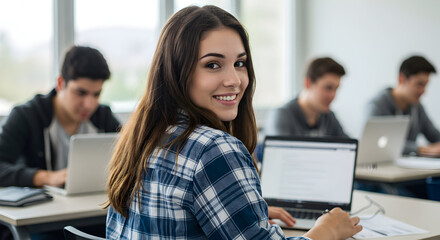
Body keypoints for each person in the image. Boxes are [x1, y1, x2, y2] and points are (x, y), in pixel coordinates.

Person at [106, 5, 361, 240]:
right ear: (176, 73)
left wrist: (247, 212)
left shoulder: (144, 138)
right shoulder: (213, 148)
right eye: (213, 65)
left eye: (240, 63)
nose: (235, 80)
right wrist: (324, 231)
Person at [0, 45, 120, 188]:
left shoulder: (103, 116)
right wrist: (45, 177)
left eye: (96, 94)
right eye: (81, 93)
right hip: (42, 208)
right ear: (60, 83)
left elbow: (132, 157)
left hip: (92, 206)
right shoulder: (26, 116)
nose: (89, 104)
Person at [367, 55, 440, 156]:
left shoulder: (417, 107)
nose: (423, 91)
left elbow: (435, 135)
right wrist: (422, 149)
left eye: (425, 85)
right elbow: (379, 143)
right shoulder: (377, 106)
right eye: (419, 84)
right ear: (401, 79)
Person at [265, 57, 348, 138]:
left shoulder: (328, 117)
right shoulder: (282, 116)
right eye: (328, 88)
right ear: (308, 83)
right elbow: (280, 151)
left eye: (336, 89)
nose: (333, 96)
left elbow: (348, 147)